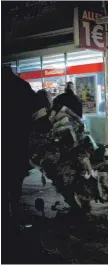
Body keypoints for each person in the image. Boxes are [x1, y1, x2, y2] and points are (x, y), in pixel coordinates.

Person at [2, 65, 36, 234]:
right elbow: (33, 109)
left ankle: (4, 217)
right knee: (15, 181)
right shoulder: (21, 86)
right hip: (18, 141)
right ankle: (14, 217)